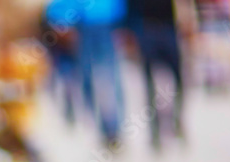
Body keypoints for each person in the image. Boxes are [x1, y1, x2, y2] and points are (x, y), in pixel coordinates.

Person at [127, 0, 186, 148]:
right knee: (149, 84)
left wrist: (187, 20)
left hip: (169, 27)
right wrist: (130, 32)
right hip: (147, 28)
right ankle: (154, 131)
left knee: (178, 79)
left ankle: (177, 119)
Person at [74, 0, 127, 147]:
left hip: (107, 26)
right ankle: (105, 129)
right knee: (89, 81)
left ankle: (114, 129)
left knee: (110, 79)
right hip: (84, 27)